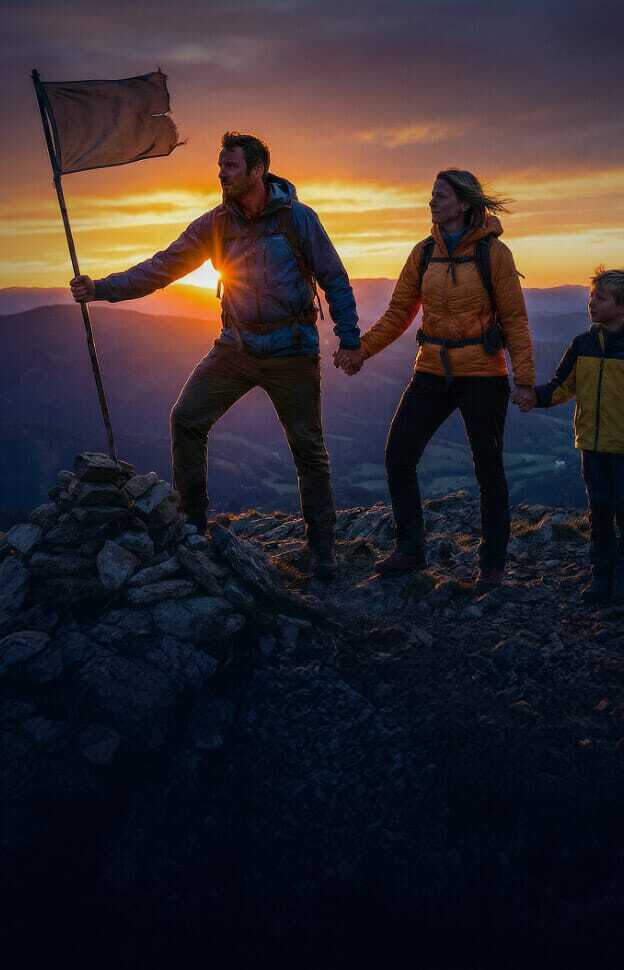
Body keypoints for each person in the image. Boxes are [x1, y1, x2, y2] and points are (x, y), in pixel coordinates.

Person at [70, 131, 361, 581]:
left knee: (308, 449)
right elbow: (162, 267)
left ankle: (322, 551)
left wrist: (350, 338)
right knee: (186, 418)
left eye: (230, 167)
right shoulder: (215, 224)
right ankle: (192, 527)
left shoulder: (299, 220)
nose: (221, 174)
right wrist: (101, 289)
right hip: (237, 346)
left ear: (257, 170)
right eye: (220, 166)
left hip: (293, 351)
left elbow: (334, 278)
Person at [334, 169, 535, 589]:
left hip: (482, 374)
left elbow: (515, 320)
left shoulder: (495, 254)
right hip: (431, 370)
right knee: (398, 456)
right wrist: (360, 352)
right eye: (431, 196)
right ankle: (411, 550)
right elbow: (398, 314)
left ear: (462, 203)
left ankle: (493, 564)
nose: (431, 202)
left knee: (488, 468)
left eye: (440, 196)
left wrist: (525, 380)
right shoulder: (424, 253)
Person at [517, 268, 624, 605]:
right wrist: (534, 396)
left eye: (601, 298)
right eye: (593, 297)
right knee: (601, 512)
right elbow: (563, 386)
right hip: (591, 446)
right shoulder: (583, 344)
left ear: (621, 307)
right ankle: (601, 578)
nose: (592, 303)